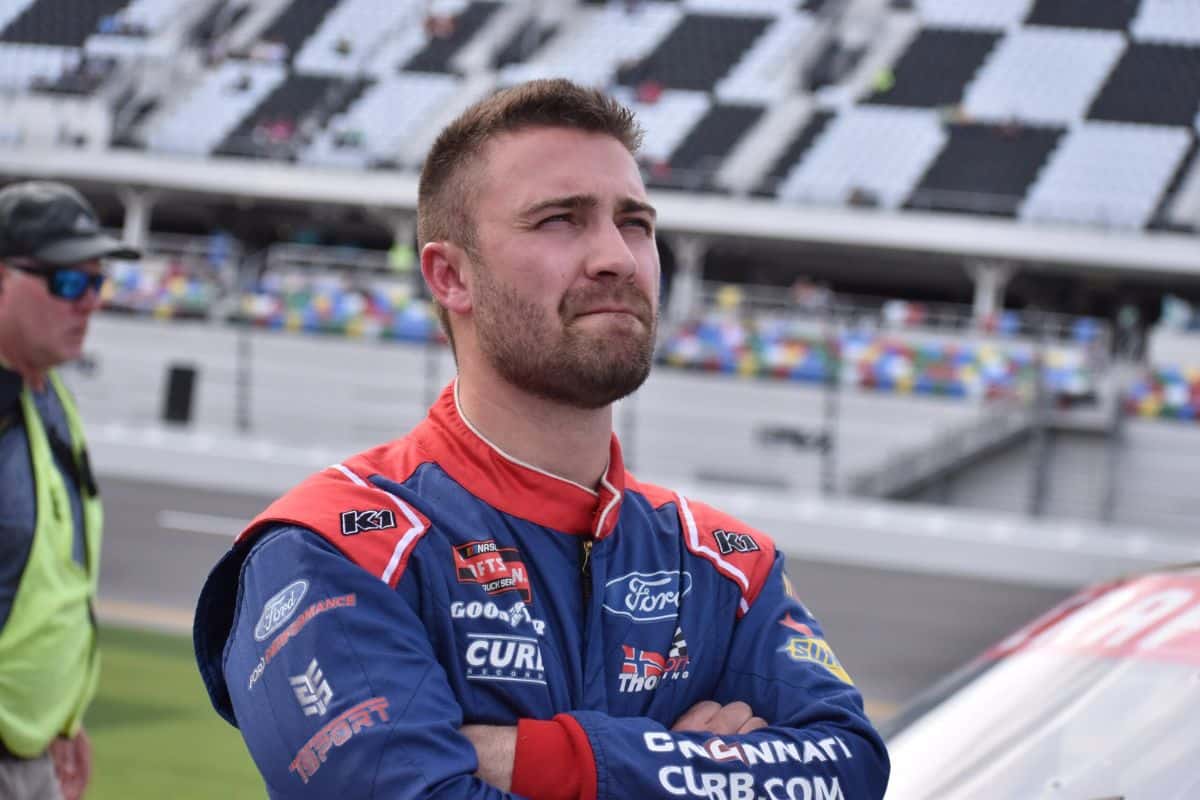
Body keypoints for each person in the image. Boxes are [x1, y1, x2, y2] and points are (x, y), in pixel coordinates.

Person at [194, 79, 890, 799]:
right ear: (451, 276)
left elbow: (853, 768)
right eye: (561, 220)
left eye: (636, 223)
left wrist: (552, 761)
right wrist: (697, 771)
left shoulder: (725, 566)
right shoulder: (333, 548)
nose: (616, 256)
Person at [0, 181, 140, 799]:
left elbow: (52, 581)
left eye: (96, 282)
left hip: (33, 747)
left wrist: (64, 717)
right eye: (66, 282)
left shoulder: (48, 394)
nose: (88, 302)